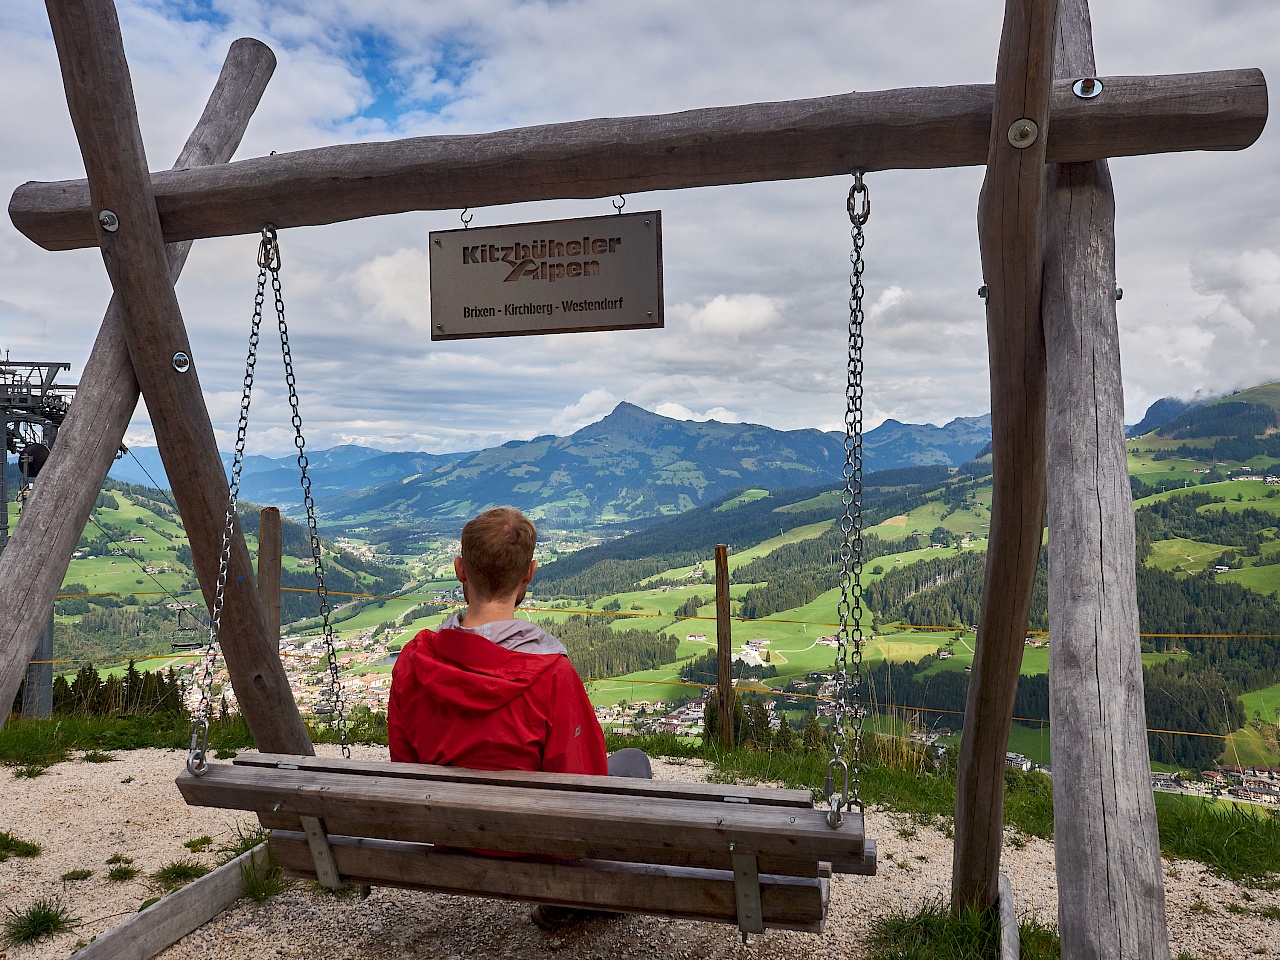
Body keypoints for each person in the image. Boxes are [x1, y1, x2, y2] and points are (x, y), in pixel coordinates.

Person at [388, 506, 650, 930]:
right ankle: (565, 900)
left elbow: (404, 765)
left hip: (450, 832)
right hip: (533, 844)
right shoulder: (551, 674)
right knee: (633, 763)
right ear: (529, 574)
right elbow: (582, 783)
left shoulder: (413, 662)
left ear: (460, 570)